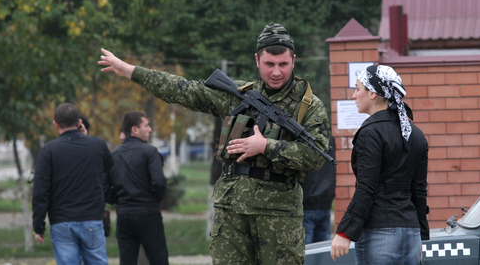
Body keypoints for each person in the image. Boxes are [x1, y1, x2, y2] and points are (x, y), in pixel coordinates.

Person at [98, 23, 331, 264]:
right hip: (231, 213)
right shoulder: (238, 94)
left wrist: (265, 146)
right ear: (256, 60)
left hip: (279, 218)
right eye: (269, 64)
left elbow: (316, 156)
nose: (276, 72)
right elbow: (184, 90)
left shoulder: (309, 106)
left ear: (294, 60)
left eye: (283, 64)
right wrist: (130, 71)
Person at [330, 65, 429, 264]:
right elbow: (418, 190)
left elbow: (367, 188)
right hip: (411, 233)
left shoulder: (371, 133)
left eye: (358, 89)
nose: (354, 95)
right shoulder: (416, 135)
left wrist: (345, 232)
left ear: (373, 93)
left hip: (380, 233)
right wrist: (421, 234)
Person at [32, 103, 113, 265]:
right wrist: (85, 136)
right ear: (79, 122)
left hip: (62, 221)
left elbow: (41, 190)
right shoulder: (97, 145)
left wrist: (38, 225)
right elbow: (109, 171)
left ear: (55, 124)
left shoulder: (49, 151)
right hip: (92, 218)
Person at [103, 111, 169, 265]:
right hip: (148, 213)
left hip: (124, 215)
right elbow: (159, 182)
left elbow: (104, 188)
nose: (150, 129)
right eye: (146, 125)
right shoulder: (150, 152)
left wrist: (119, 199)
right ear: (134, 130)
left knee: (127, 260)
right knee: (158, 259)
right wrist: (155, 199)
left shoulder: (113, 156)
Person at [302, 135, 336, 244]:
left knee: (306, 254)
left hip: (307, 202)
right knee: (324, 253)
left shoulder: (303, 136)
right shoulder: (329, 138)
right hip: (325, 200)